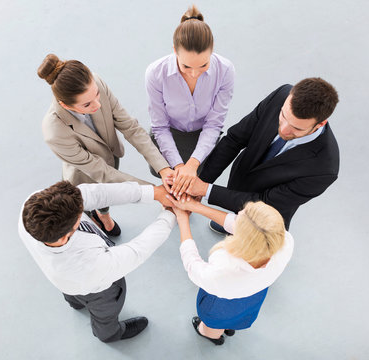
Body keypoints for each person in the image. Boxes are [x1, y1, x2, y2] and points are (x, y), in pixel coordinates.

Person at [18, 180, 176, 343]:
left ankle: (75, 303)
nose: (84, 204)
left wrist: (153, 193)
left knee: (72, 294)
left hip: (65, 281)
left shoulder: (32, 207)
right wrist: (169, 215)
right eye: (80, 214)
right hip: (97, 292)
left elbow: (97, 194)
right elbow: (138, 250)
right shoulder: (90, 266)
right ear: (65, 236)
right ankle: (110, 334)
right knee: (105, 313)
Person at [38, 54, 174, 237]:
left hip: (110, 155)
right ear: (64, 104)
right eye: (87, 104)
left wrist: (163, 168)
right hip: (85, 174)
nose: (97, 104)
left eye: (97, 95)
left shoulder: (96, 83)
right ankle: (96, 218)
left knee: (109, 194)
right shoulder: (54, 131)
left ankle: (104, 214)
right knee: (90, 201)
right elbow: (101, 172)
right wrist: (155, 192)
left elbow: (130, 127)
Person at [182, 77, 340, 230]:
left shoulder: (324, 169)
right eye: (283, 116)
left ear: (320, 124)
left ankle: (236, 225)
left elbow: (265, 204)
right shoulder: (281, 95)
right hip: (241, 180)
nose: (283, 129)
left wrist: (205, 189)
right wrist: (198, 183)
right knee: (233, 219)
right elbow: (235, 139)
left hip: (265, 216)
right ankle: (233, 218)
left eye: (297, 128)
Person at [167, 196, 294, 345]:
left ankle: (211, 336)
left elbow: (193, 265)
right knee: (237, 318)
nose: (237, 214)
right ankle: (230, 327)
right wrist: (195, 206)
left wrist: (183, 220)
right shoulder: (285, 240)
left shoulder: (225, 267)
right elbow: (250, 230)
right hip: (254, 296)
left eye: (239, 216)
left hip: (220, 304)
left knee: (212, 324)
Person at [145, 5, 235, 197]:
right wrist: (178, 166)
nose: (194, 73)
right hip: (169, 136)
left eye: (203, 65)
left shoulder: (225, 70)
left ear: (212, 51)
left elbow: (214, 124)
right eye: (186, 66)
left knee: (194, 194)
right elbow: (160, 127)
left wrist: (193, 164)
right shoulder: (155, 73)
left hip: (203, 138)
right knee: (172, 193)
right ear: (174, 51)